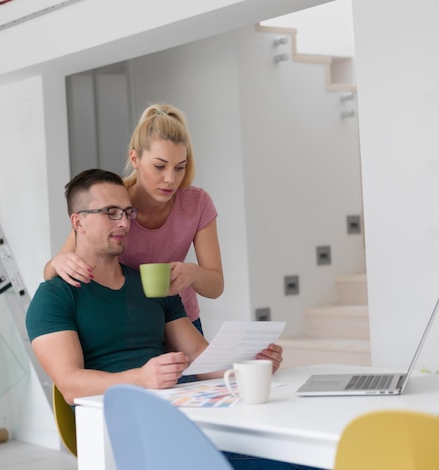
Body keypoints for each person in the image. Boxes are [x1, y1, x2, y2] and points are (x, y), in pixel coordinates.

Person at [27, 169, 317, 470]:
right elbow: (70, 385)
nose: (124, 223)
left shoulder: (152, 285)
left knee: (303, 452)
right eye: (110, 213)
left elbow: (199, 357)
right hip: (122, 428)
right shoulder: (55, 297)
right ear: (79, 222)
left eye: (127, 212)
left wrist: (249, 363)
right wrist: (140, 378)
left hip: (184, 415)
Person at [43, 103, 222, 335]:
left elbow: (216, 286)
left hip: (181, 321)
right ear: (135, 158)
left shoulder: (197, 203)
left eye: (180, 167)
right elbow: (51, 272)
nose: (171, 179)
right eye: (159, 166)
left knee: (204, 371)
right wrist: (58, 263)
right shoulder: (113, 204)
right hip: (130, 323)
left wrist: (192, 273)